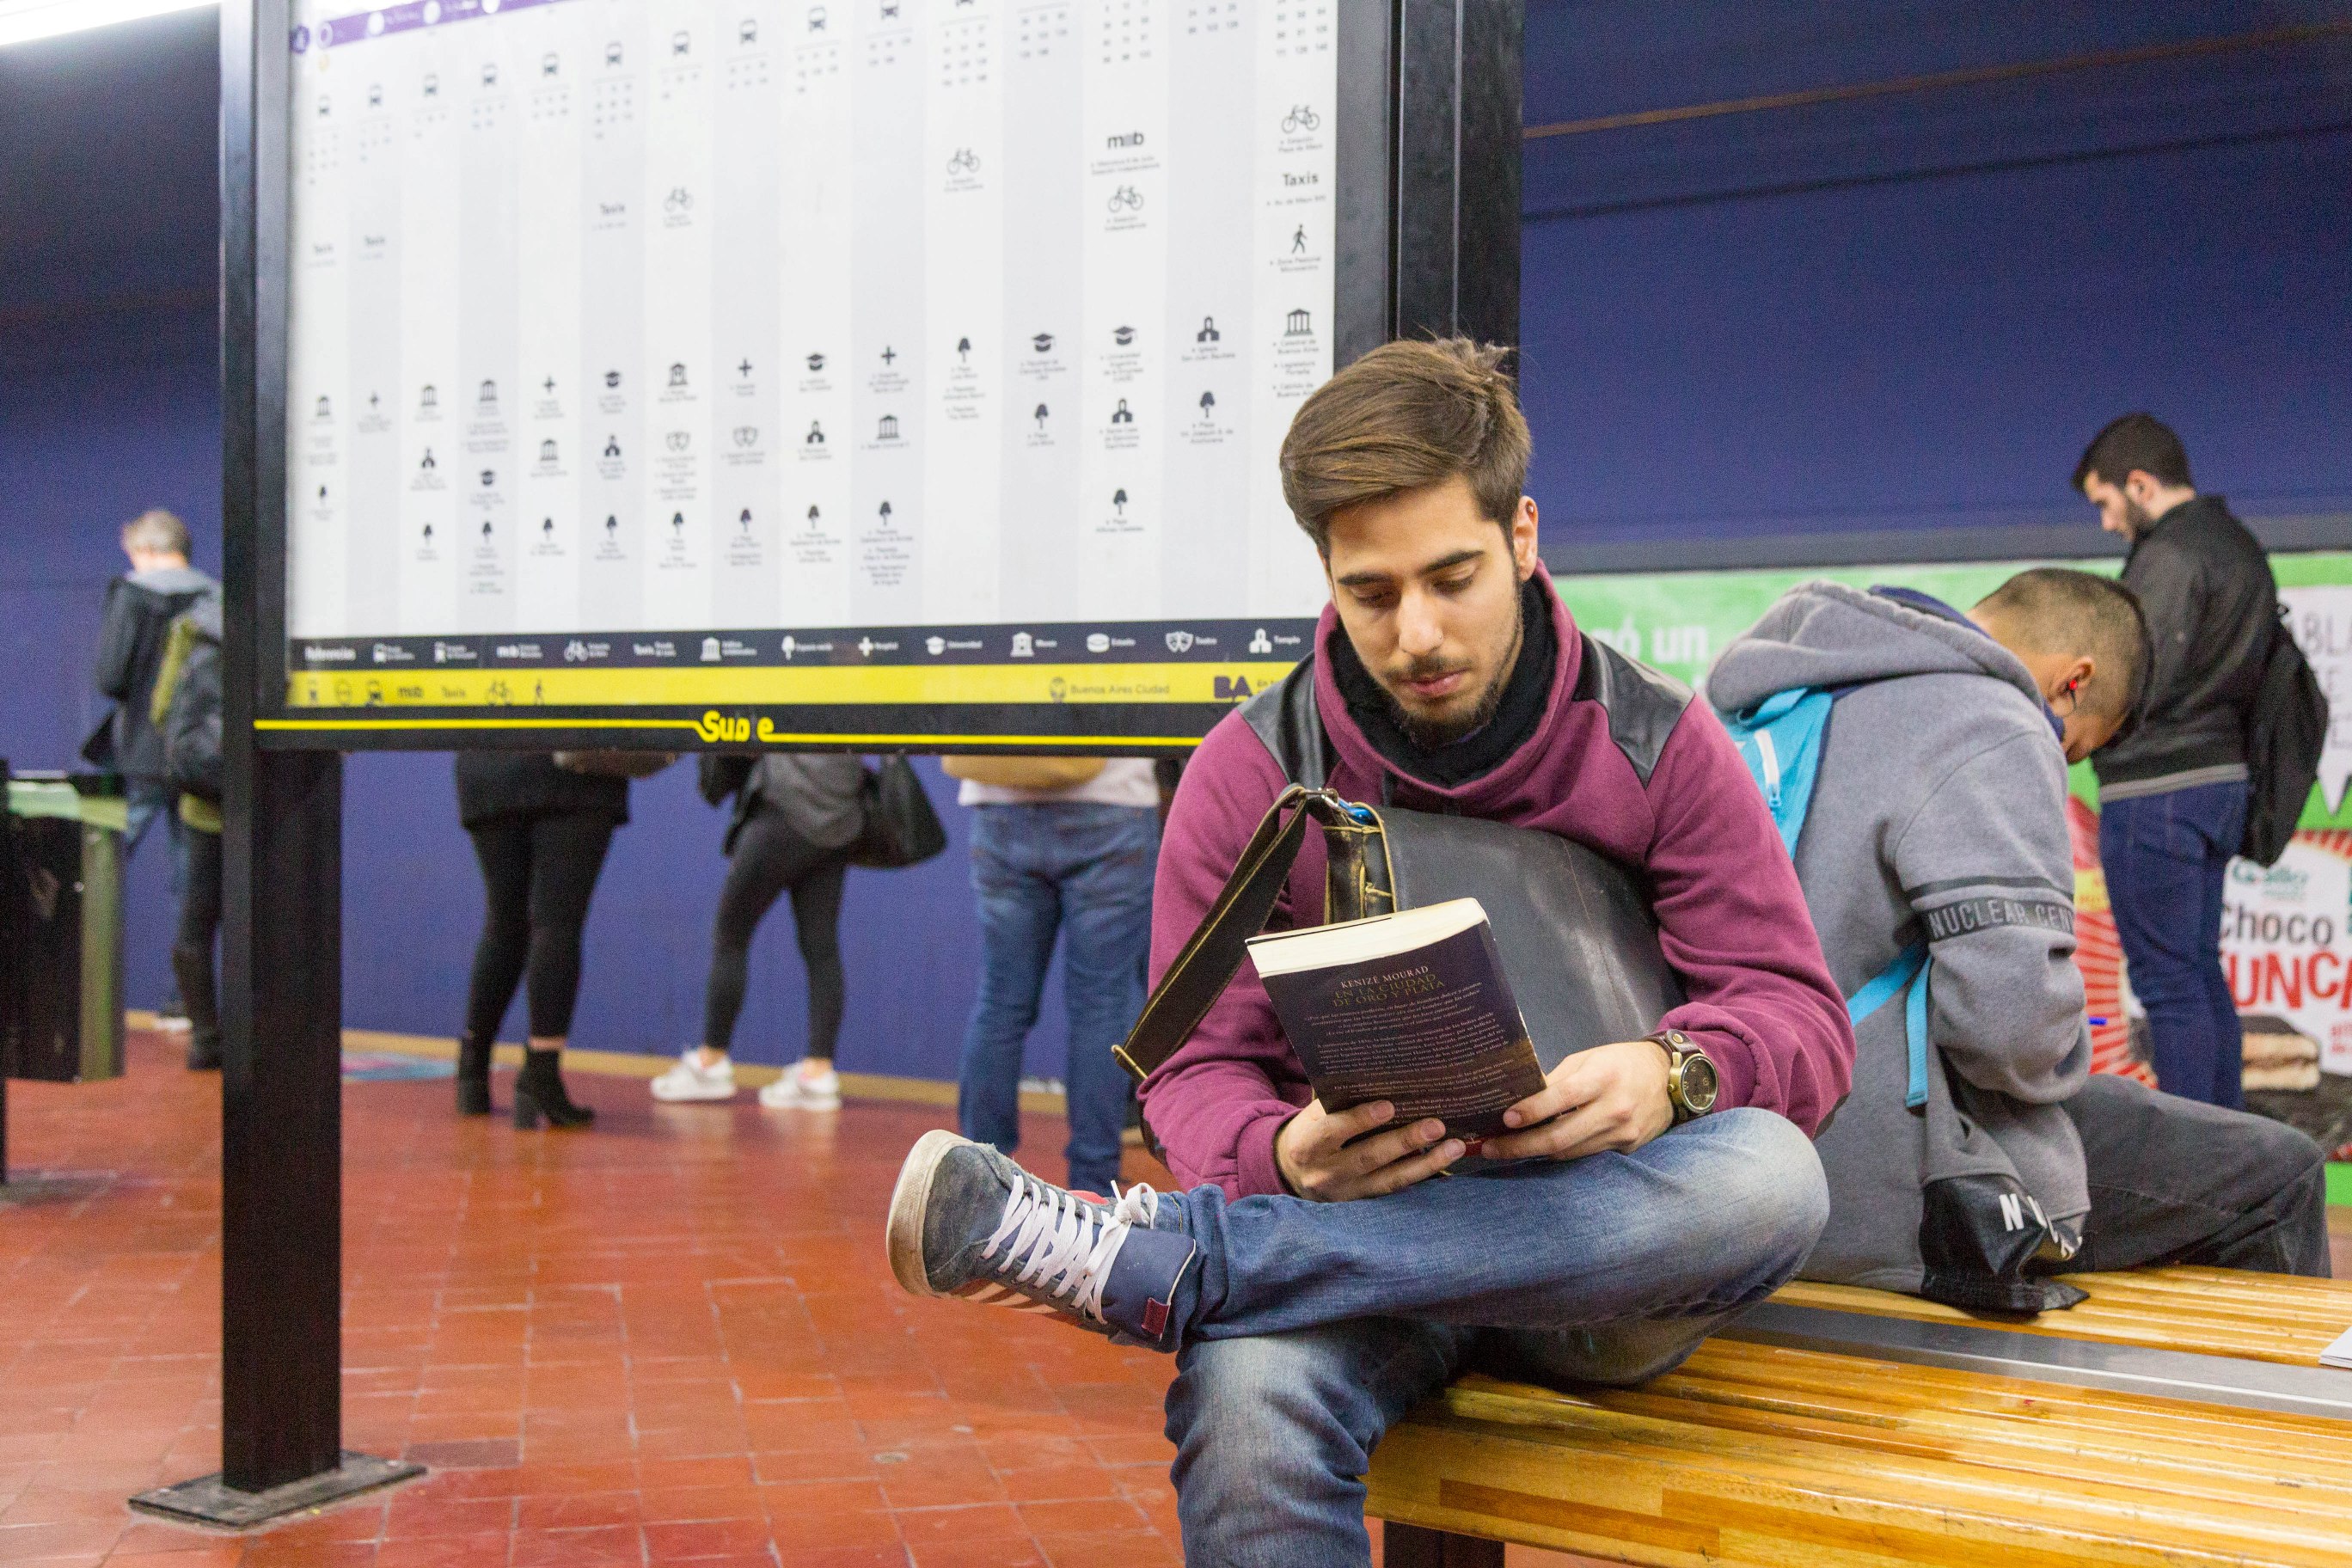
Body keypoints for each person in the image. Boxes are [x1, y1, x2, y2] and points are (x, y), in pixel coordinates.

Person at [883, 339, 1855, 1567]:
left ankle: (1183, 1265)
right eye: (1372, 592)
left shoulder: (1661, 743)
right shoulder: (1252, 768)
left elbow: (1801, 1022)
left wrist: (1675, 1075)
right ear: (1330, 578)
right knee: (1246, 1407)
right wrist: (1277, 1151)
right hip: (1363, 1268)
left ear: (1524, 537)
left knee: (1773, 1177)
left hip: (1612, 1254)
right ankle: (1227, 1263)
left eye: (1453, 575)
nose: (1418, 632)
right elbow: (1191, 1070)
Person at [1709, 571, 2330, 1303]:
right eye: (2073, 750)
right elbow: (2011, 1035)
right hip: (1897, 1185)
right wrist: (2072, 1044)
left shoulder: (1762, 701)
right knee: (2281, 1172)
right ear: (2072, 684)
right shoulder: (1990, 720)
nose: (2058, 756)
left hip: (1729, 1155)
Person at [2075, 414, 2279, 1108]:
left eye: (2106, 502)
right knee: (2196, 974)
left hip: (2156, 791)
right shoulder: (2240, 547)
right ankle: (2231, 1154)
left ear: (2140, 483)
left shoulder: (2168, 557)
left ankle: (2199, 1170)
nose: (2106, 522)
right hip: (2222, 786)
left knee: (2168, 985)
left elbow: (2134, 678)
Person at [943, 755, 1161, 1197]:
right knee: (1102, 1008)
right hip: (1113, 804)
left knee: (1000, 1004)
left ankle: (982, 1188)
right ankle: (1095, 1190)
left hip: (1000, 802)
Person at [649, 752, 867, 1108]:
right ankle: (818, 1072)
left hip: (783, 807)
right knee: (821, 946)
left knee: (731, 932)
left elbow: (745, 729)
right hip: (838, 815)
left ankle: (710, 1063)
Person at [453, 753, 633, 1127]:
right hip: (574, 766)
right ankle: (540, 1075)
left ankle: (472, 1071)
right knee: (557, 924)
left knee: (504, 921)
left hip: (490, 760)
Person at [93, 509, 217, 1026]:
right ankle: (185, 1005)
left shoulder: (130, 593)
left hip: (142, 754)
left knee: (95, 865)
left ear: (141, 550)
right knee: (190, 885)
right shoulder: (215, 597)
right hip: (196, 759)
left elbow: (110, 676)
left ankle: (76, 987)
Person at [146, 588, 224, 1070]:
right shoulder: (293, 623)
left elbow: (161, 710)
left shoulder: (197, 627)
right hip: (270, 806)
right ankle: (252, 1035)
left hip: (205, 802)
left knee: (196, 923)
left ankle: (207, 1039)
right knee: (264, 926)